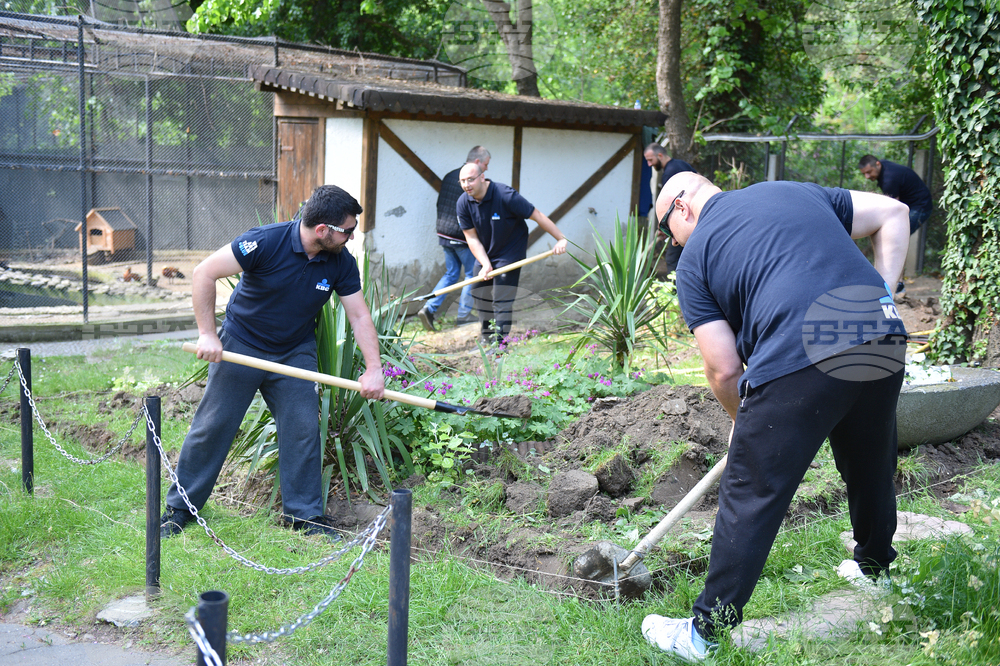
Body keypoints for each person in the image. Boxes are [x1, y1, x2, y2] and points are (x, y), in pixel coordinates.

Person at [641, 172, 910, 661]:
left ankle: (703, 633)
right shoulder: (793, 189)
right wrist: (880, 296)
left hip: (799, 349)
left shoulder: (696, 258)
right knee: (870, 458)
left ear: (681, 208)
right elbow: (895, 214)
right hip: (881, 331)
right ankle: (876, 570)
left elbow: (723, 369)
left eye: (666, 231)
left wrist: (744, 430)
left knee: (752, 488)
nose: (670, 243)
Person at [160, 185, 385, 540]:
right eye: (348, 230)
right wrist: (207, 334)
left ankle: (306, 518)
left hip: (294, 351)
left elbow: (358, 315)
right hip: (242, 343)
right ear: (323, 230)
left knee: (302, 430)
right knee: (213, 425)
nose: (352, 237)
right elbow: (204, 272)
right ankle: (179, 508)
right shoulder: (265, 241)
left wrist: (374, 369)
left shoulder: (341, 262)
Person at [456, 161, 568, 347]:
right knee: (478, 292)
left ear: (482, 177)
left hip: (510, 252)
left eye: (470, 180)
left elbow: (537, 215)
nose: (466, 185)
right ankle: (486, 337)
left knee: (502, 299)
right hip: (486, 252)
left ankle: (500, 345)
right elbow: (472, 238)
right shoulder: (463, 203)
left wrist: (561, 238)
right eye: (462, 181)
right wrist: (485, 264)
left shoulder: (505, 195)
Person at [417, 146, 490, 331]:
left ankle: (429, 308)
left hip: (443, 232)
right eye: (486, 164)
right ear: (478, 162)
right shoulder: (472, 181)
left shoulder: (451, 175)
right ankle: (464, 315)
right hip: (461, 235)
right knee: (473, 275)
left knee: (451, 273)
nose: (487, 169)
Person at [858, 154, 933, 297]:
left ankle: (897, 285)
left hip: (920, 207)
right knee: (892, 237)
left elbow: (892, 209)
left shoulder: (889, 178)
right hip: (910, 205)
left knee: (894, 239)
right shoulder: (884, 169)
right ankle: (894, 283)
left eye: (869, 172)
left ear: (878, 164)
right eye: (864, 174)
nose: (867, 177)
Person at [643, 143, 697, 275]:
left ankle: (674, 293)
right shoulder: (681, 164)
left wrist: (664, 226)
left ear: (660, 155)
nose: (649, 164)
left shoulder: (669, 174)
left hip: (685, 222)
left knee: (673, 259)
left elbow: (670, 205)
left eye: (650, 160)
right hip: (696, 217)